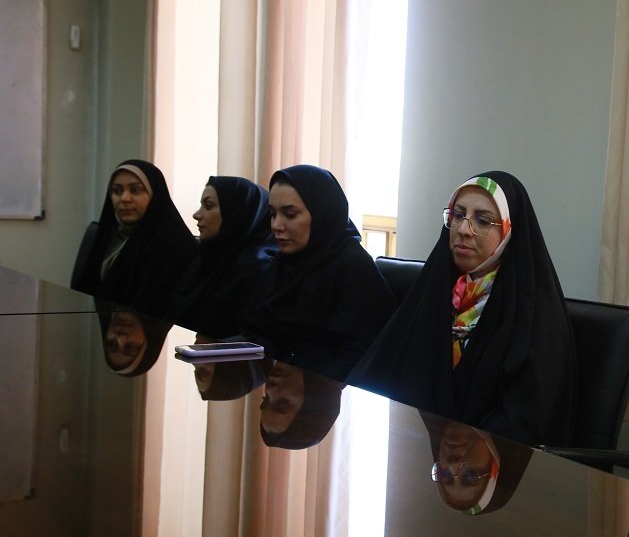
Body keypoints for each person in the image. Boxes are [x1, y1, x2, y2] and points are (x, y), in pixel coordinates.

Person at [348, 171, 577, 447]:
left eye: (483, 220)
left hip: (490, 460)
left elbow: (528, 419)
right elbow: (380, 372)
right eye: (458, 215)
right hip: (412, 447)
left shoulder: (536, 315)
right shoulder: (433, 291)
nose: (464, 230)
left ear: (509, 231)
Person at [241, 165, 395, 380]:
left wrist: (304, 386)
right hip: (279, 383)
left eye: (290, 214)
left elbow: (356, 357)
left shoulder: (354, 267)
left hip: (328, 392)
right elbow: (258, 329)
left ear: (321, 212)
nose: (276, 225)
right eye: (272, 214)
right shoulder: (285, 262)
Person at [72, 160, 197, 319]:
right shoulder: (103, 236)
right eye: (117, 191)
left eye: (135, 190)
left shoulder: (176, 245)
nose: (124, 198)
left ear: (154, 195)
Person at [173, 176, 277, 337]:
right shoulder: (208, 256)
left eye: (208, 206)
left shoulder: (257, 268)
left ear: (237, 212)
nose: (196, 215)